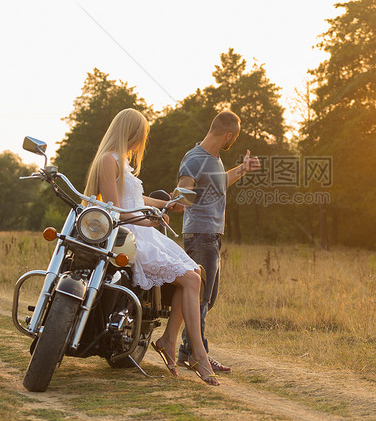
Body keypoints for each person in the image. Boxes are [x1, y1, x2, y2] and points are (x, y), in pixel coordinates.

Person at [83, 108, 218, 385]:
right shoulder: (108, 160)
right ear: (131, 133)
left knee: (194, 275)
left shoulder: (120, 161)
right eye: (142, 136)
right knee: (192, 279)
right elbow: (115, 210)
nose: (141, 142)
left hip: (142, 230)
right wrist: (146, 221)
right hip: (130, 236)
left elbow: (134, 197)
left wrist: (165, 203)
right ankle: (197, 355)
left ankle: (170, 341)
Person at [176, 110, 261, 372]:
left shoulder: (214, 158)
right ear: (229, 135)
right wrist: (182, 197)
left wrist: (242, 170)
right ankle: (196, 354)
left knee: (207, 298)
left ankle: (186, 351)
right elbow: (183, 193)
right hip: (199, 235)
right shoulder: (195, 158)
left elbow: (219, 183)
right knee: (200, 299)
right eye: (234, 137)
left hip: (211, 235)